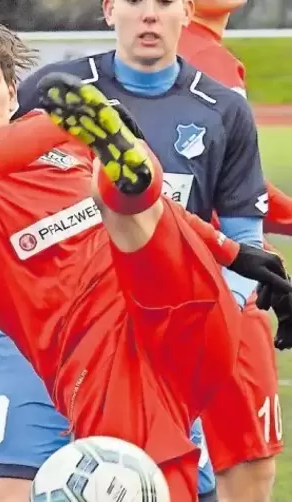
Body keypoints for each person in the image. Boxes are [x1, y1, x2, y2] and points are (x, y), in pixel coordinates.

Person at [0, 17, 290, 501]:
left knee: (132, 193)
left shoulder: (69, 150)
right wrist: (70, 122)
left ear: (13, 92)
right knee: (101, 482)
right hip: (86, 356)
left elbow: (169, 211)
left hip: (160, 321)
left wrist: (236, 253)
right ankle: (125, 180)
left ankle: (126, 180)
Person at [177, 2, 288, 499]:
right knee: (246, 464)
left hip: (192, 275)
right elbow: (233, 185)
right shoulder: (200, 55)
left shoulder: (195, 51)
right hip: (223, 284)